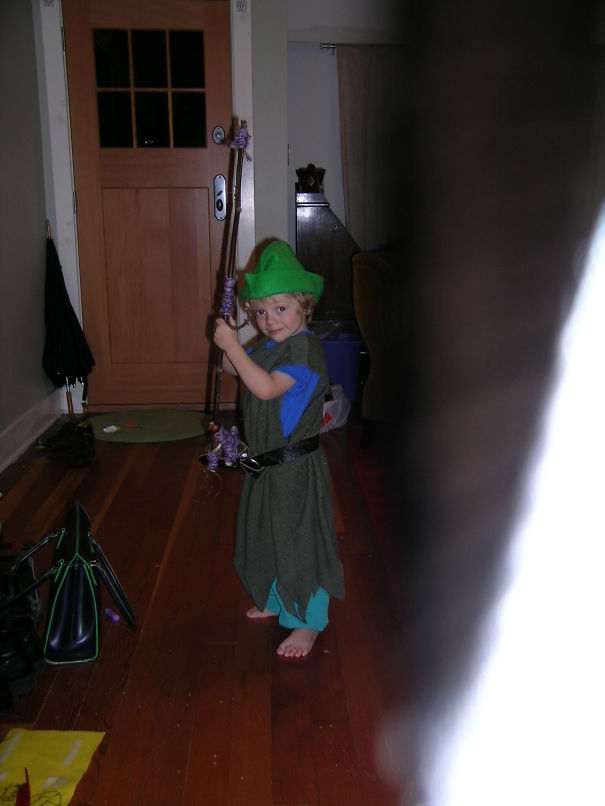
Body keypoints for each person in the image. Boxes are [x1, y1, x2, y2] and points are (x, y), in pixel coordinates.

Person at [213, 240, 344, 659]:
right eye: (261, 311)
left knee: (298, 542)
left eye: (280, 308)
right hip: (265, 464)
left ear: (305, 305)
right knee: (264, 535)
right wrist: (227, 345)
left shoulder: (305, 350)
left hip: (295, 469)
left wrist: (233, 347)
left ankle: (307, 620)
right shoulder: (269, 346)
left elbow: (267, 388)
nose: (269, 320)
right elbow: (238, 369)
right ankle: (276, 597)